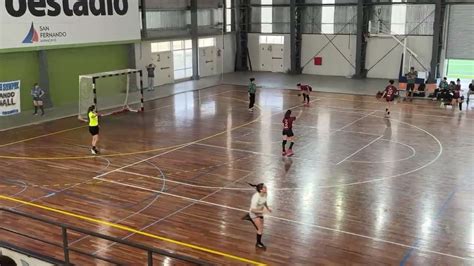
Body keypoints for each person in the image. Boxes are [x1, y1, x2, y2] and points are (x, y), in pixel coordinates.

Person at [242, 183, 271, 249]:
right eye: (264, 187)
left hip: (259, 212)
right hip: (254, 213)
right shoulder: (255, 198)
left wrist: (267, 208)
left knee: (261, 227)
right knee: (260, 229)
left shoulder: (265, 193)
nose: (266, 188)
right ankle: (258, 244)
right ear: (261, 190)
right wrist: (262, 211)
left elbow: (264, 201)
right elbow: (252, 210)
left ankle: (249, 218)